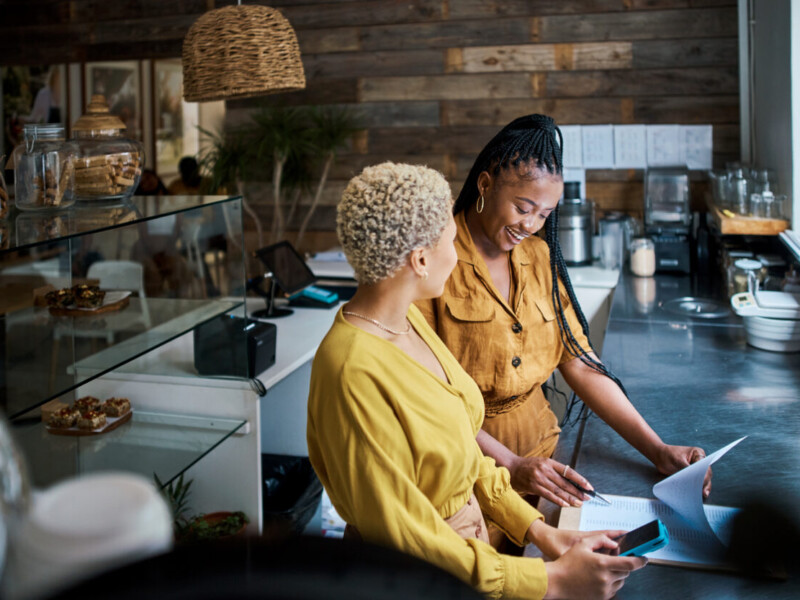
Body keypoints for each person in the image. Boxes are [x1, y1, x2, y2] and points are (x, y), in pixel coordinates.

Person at [307, 162, 646, 599]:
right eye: (452, 239)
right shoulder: (352, 369)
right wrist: (553, 582)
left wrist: (542, 533)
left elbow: (461, 454)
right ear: (421, 259)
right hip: (418, 580)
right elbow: (409, 539)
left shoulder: (405, 320)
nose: (459, 252)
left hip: (465, 562)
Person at [415, 114, 710, 521]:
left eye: (544, 214)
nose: (531, 225)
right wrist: (511, 466)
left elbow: (581, 363)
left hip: (544, 461)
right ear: (485, 185)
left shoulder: (538, 258)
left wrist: (658, 450)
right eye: (523, 207)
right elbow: (424, 399)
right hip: (466, 472)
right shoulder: (435, 261)